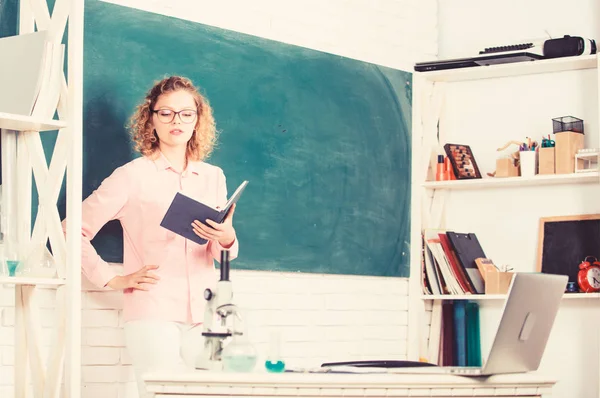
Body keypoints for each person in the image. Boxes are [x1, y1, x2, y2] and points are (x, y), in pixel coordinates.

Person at [66, 76, 239, 397]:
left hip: (206, 313)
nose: (177, 121)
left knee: (214, 391)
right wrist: (109, 278)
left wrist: (227, 236)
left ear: (197, 120)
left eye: (186, 113)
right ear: (151, 119)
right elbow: (69, 230)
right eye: (166, 113)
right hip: (153, 310)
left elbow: (220, 254)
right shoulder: (132, 176)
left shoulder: (214, 177)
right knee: (162, 393)